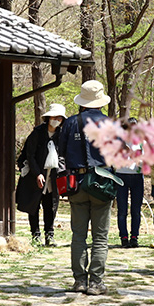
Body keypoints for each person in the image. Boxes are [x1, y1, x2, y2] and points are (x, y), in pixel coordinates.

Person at [59, 80, 112, 295]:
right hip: (101, 183)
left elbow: (60, 153)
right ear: (100, 101)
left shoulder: (70, 123)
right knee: (100, 236)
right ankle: (96, 283)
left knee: (78, 235)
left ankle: (79, 281)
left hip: (76, 184)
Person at [16, 103, 66, 247]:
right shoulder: (37, 133)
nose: (56, 120)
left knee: (51, 206)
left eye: (59, 118)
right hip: (35, 174)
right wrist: (37, 173)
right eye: (54, 117)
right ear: (48, 118)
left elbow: (64, 155)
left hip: (53, 176)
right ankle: (35, 235)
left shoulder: (61, 135)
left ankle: (49, 236)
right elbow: (30, 155)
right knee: (34, 205)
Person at [115, 118, 144, 248]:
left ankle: (134, 237)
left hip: (137, 177)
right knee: (122, 210)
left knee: (136, 210)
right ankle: (123, 237)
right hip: (121, 176)